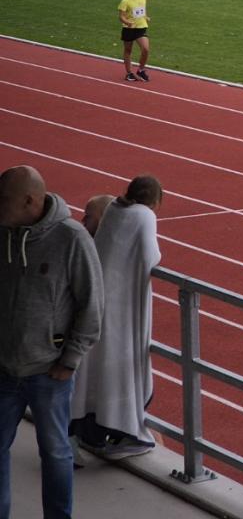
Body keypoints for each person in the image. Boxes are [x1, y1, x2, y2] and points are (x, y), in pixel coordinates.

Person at [0, 165, 104, 519]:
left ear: (30, 201)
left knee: (56, 452)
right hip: (4, 369)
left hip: (49, 372)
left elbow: (92, 305)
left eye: (4, 201)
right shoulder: (3, 233)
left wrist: (70, 360)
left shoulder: (72, 239)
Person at [71, 175, 163, 461]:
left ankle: (89, 430)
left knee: (96, 366)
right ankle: (128, 432)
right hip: (124, 306)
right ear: (154, 201)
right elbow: (150, 256)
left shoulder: (113, 209)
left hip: (102, 298)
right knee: (122, 368)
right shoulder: (144, 215)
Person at [118, 0, 151, 83]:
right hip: (129, 29)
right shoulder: (125, 1)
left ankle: (141, 70)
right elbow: (121, 17)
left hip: (141, 27)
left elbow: (142, 9)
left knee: (145, 49)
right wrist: (128, 23)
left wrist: (145, 16)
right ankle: (129, 73)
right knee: (128, 51)